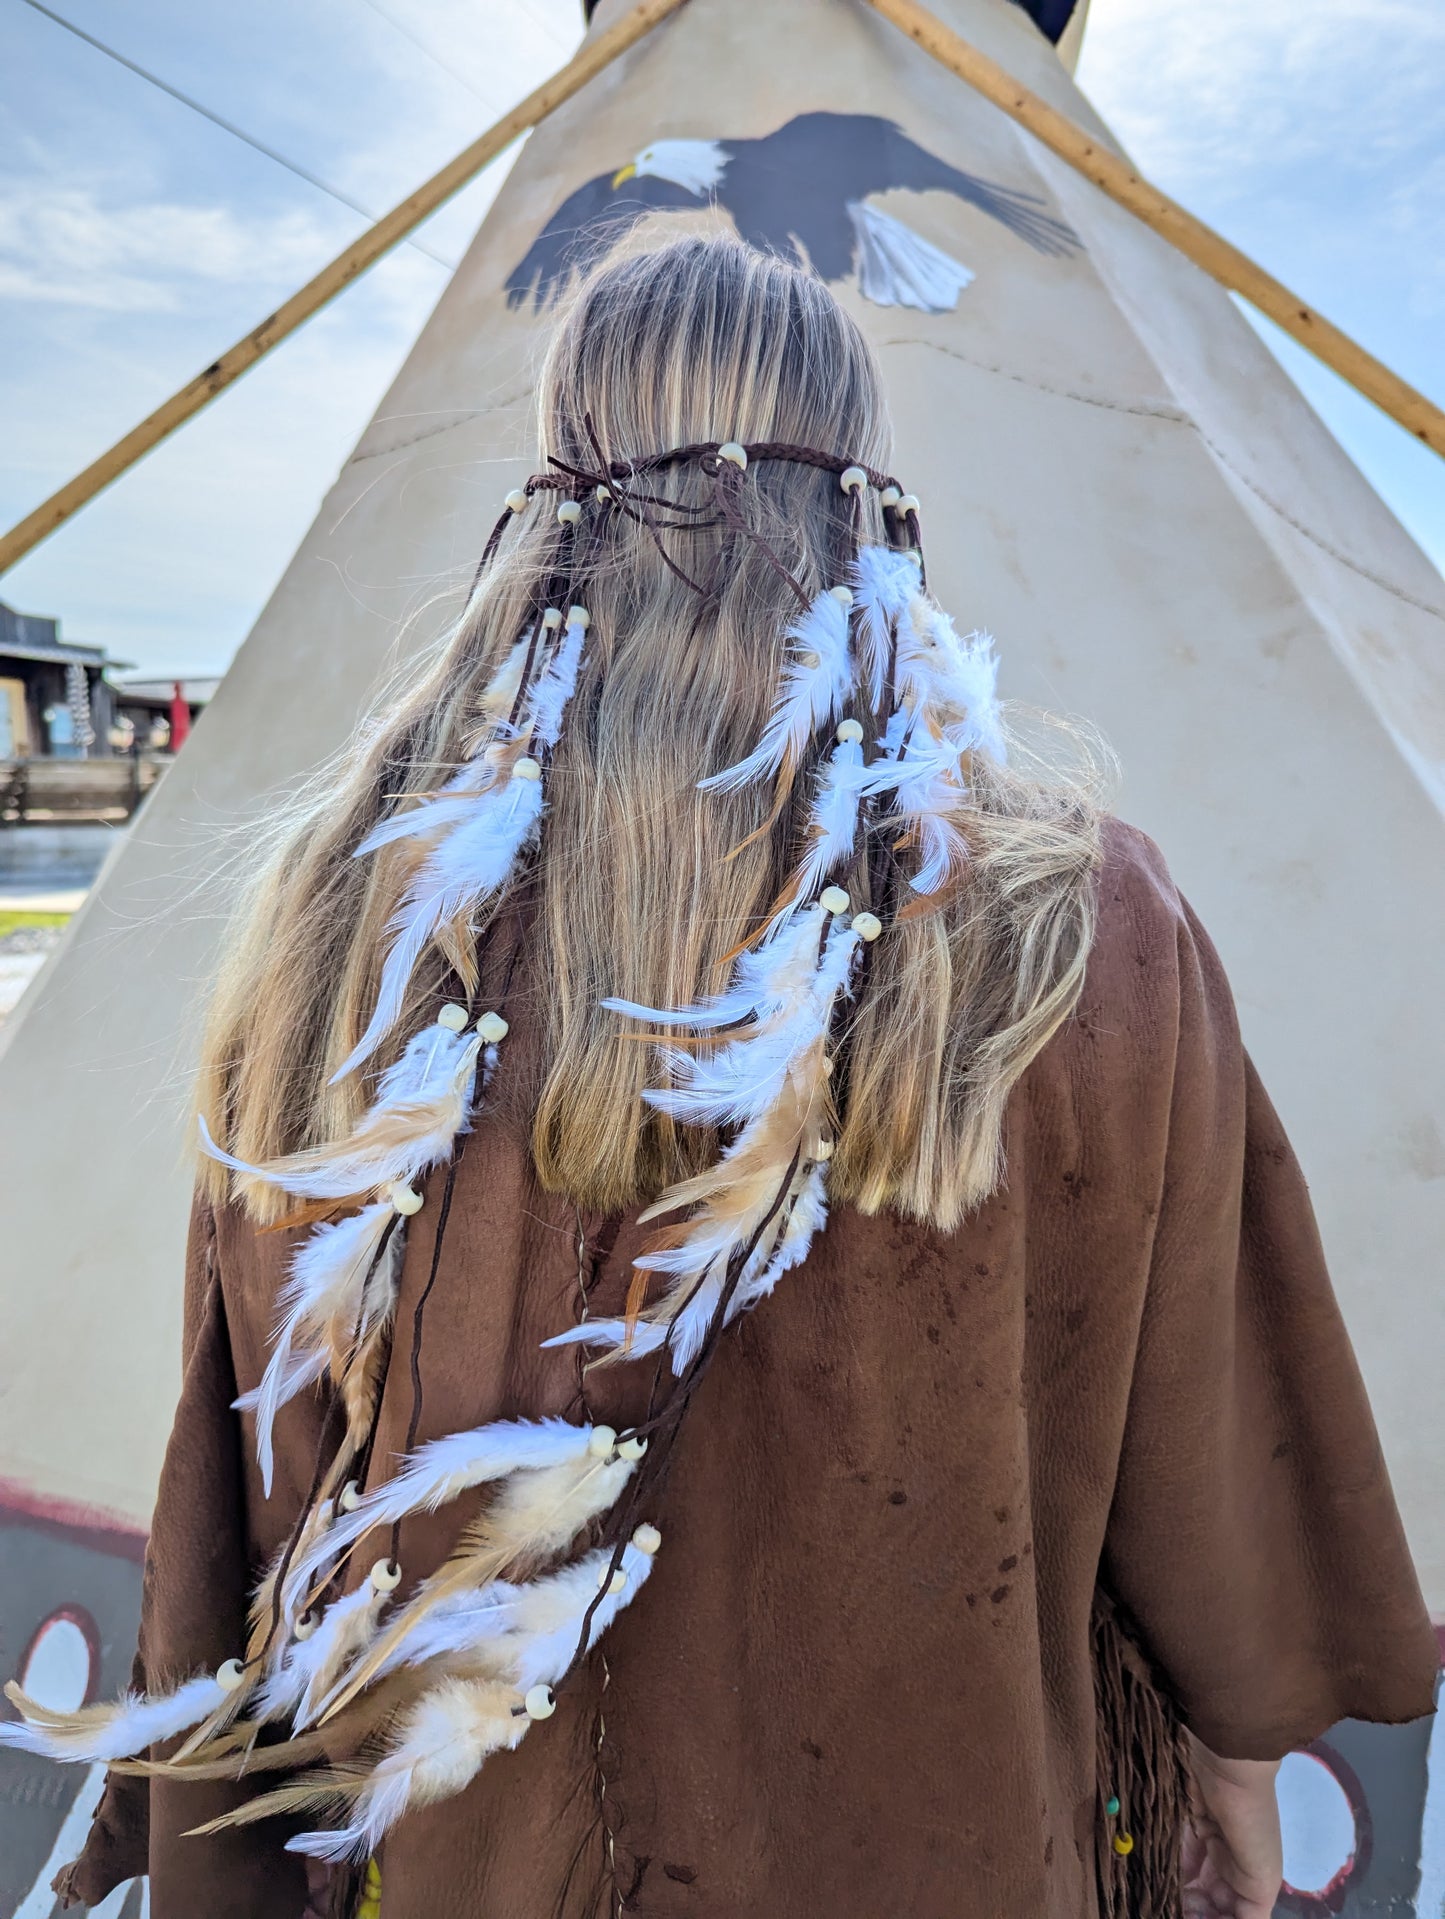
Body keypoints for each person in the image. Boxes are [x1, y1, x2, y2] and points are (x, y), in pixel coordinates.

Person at [7, 236, 1435, 1919]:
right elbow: (1205, 1444)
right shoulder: (1078, 926)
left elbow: (260, 1493)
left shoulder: (337, 935)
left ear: (553, 486)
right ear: (865, 505)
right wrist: (1231, 1767)